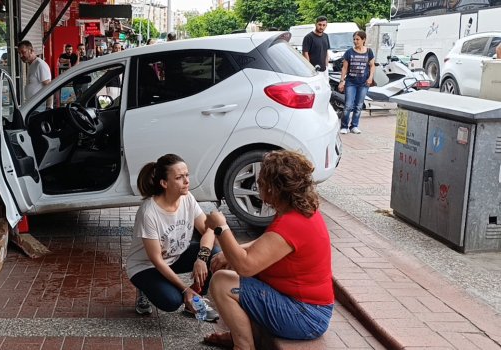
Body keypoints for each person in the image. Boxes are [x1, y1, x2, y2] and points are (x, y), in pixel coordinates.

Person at [203, 150, 334, 349]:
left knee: (222, 282)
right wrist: (229, 251)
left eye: (261, 181)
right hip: (306, 309)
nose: (258, 185)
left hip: (306, 316)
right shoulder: (298, 210)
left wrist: (221, 228)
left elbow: (246, 266)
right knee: (230, 264)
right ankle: (244, 333)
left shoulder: (292, 223)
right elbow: (270, 244)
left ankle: (244, 345)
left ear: (273, 188)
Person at [125, 154, 220, 322]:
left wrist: (202, 258)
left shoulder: (187, 198)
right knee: (172, 301)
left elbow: (209, 229)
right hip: (146, 266)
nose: (186, 181)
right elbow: (156, 260)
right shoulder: (149, 212)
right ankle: (146, 288)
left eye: (186, 175)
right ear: (164, 183)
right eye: (179, 177)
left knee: (215, 253)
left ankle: (195, 301)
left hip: (174, 256)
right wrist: (184, 289)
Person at [338, 30, 375, 134]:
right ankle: (344, 126)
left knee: (359, 105)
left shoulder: (369, 52)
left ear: (363, 40)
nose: (355, 41)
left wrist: (370, 78)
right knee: (348, 105)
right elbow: (344, 68)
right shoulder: (349, 52)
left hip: (363, 83)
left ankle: (354, 126)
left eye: (357, 39)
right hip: (351, 82)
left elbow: (372, 66)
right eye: (354, 39)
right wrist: (342, 81)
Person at [18, 40, 52, 107]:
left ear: (31, 50)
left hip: (40, 106)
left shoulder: (39, 64)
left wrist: (49, 108)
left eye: (23, 52)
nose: (21, 56)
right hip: (33, 106)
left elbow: (49, 87)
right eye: (19, 53)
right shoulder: (32, 64)